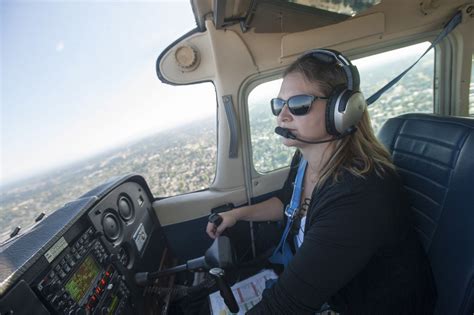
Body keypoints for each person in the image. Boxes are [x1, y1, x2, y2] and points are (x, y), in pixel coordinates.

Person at [206, 49, 436, 314]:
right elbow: (290, 204)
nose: (282, 116)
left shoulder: (358, 195)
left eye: (299, 104)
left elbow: (285, 306)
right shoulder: (304, 159)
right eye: (278, 105)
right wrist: (237, 214)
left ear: (342, 110)